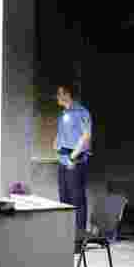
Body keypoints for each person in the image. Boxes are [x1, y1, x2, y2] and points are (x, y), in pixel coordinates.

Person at [55, 83, 92, 234]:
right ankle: (66, 234)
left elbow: (86, 136)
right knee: (64, 199)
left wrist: (73, 156)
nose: (57, 97)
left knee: (77, 199)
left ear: (67, 94)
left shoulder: (81, 112)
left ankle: (79, 235)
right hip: (62, 160)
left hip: (75, 160)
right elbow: (63, 135)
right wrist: (56, 143)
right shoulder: (63, 114)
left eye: (60, 93)